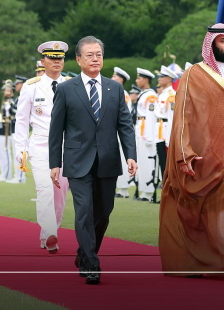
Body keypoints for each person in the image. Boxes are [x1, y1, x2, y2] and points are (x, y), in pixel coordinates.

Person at [159, 24, 224, 282]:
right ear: (211, 44)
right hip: (203, 158)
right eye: (223, 41)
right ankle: (193, 260)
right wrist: (184, 154)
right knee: (199, 211)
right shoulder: (195, 74)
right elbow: (183, 115)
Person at [49, 36, 136, 284]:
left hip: (107, 160)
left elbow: (125, 125)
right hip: (77, 161)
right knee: (84, 211)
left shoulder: (115, 88)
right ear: (78, 60)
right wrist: (54, 163)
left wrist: (130, 154)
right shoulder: (66, 89)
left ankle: (84, 252)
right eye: (90, 54)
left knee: (104, 212)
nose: (95, 58)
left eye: (98, 54)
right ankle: (91, 262)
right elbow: (56, 130)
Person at [16, 41, 72, 254]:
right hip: (40, 144)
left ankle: (48, 234)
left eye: (60, 58)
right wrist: (20, 149)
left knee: (60, 192)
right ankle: (50, 231)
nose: (56, 62)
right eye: (52, 58)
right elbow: (21, 120)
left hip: (66, 146)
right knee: (44, 189)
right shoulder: (31, 86)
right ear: (43, 61)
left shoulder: (72, 85)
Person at [134, 68, 158, 202]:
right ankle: (144, 191)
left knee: (147, 162)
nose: (137, 81)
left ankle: (148, 192)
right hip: (140, 130)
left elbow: (151, 116)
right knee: (141, 162)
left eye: (139, 78)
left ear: (146, 79)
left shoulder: (151, 96)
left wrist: (149, 136)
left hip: (146, 133)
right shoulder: (143, 94)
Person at [155, 65, 179, 195]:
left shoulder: (171, 95)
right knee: (162, 164)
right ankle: (165, 190)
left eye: (162, 77)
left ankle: (170, 192)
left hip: (166, 133)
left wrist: (170, 138)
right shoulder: (163, 94)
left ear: (169, 79)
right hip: (159, 132)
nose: (159, 79)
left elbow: (171, 118)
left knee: (167, 165)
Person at [111, 67, 133, 198]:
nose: (113, 78)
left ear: (121, 79)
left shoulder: (122, 93)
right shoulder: (112, 90)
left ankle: (123, 188)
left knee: (123, 159)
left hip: (119, 130)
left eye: (115, 76)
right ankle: (118, 187)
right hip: (112, 131)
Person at [0, 80, 16, 181]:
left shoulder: (13, 101)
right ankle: (4, 173)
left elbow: (14, 113)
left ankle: (7, 174)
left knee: (6, 151)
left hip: (8, 129)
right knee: (1, 153)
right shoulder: (4, 101)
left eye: (7, 90)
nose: (5, 92)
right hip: (1, 128)